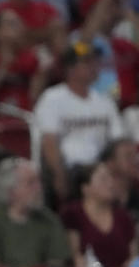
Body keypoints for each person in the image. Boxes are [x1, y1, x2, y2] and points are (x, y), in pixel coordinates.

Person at [34, 43, 125, 202]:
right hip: (70, 170)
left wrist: (117, 173)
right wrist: (59, 175)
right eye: (87, 63)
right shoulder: (53, 98)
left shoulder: (105, 102)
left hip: (100, 168)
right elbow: (49, 142)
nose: (93, 67)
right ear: (70, 68)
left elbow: (118, 142)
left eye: (95, 62)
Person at [0, 158, 71, 267]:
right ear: (11, 189)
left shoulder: (49, 220)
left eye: (39, 182)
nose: (39, 188)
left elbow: (57, 265)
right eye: (31, 183)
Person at [62, 163, 135, 267]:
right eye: (103, 179)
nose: (110, 184)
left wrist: (130, 266)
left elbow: (133, 255)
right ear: (86, 188)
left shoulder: (124, 217)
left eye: (110, 178)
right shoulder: (73, 214)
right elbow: (74, 255)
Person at [0, 7, 46, 110]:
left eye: (18, 23)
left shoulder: (30, 55)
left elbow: (35, 99)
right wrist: (3, 67)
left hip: (23, 111)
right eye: (11, 23)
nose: (17, 27)